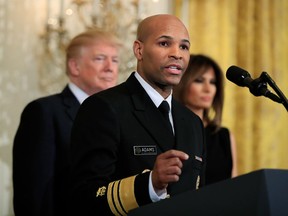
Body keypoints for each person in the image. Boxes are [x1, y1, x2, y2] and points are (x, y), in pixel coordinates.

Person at [70, 14, 206, 216]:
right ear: (139, 50)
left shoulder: (193, 121)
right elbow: (85, 197)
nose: (177, 53)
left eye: (184, 47)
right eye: (164, 43)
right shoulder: (103, 108)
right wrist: (150, 184)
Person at [12, 29, 121, 216]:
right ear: (74, 66)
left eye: (115, 60)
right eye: (100, 58)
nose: (110, 67)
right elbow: (33, 192)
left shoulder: (118, 114)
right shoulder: (44, 112)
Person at [173, 54, 238, 185]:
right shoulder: (170, 128)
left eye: (213, 82)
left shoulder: (224, 136)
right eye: (199, 80)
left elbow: (234, 184)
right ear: (182, 82)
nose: (208, 89)